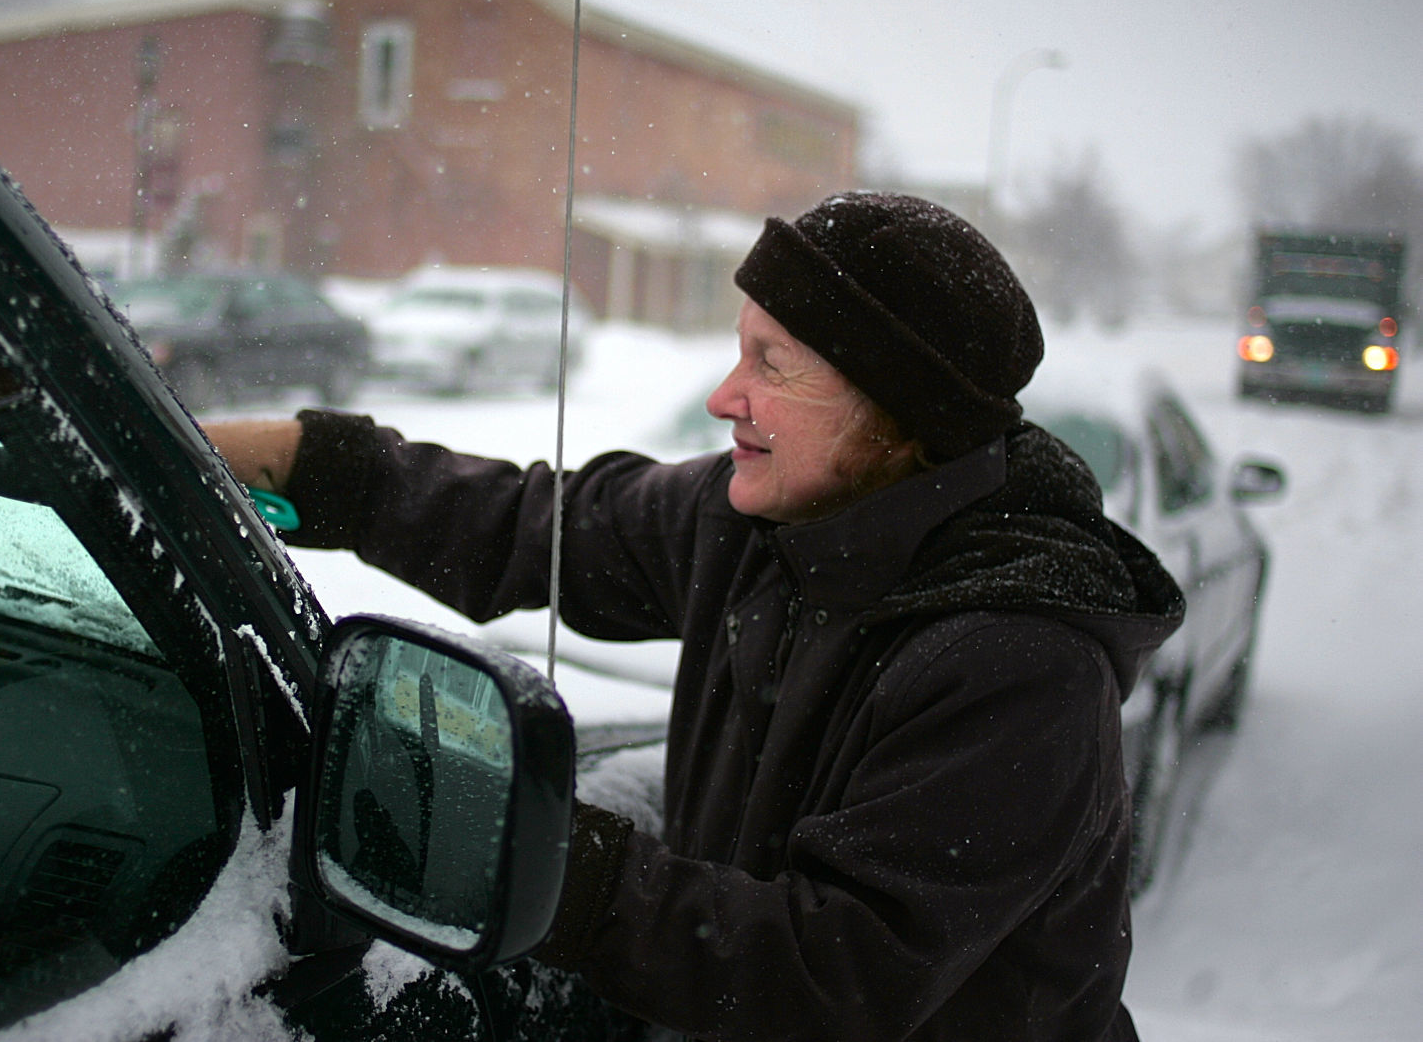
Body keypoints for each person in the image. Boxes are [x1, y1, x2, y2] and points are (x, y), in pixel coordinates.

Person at [207, 192, 1183, 1042]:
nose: (726, 395)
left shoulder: (1017, 663)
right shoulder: (754, 521)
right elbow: (534, 526)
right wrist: (305, 468)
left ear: (897, 409)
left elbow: (827, 971)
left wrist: (544, 865)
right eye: (735, 349)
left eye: (773, 361)